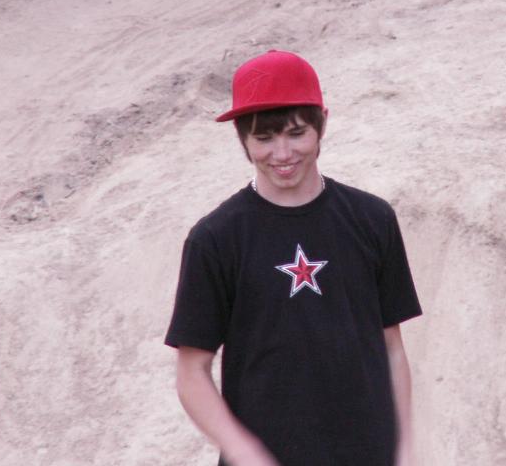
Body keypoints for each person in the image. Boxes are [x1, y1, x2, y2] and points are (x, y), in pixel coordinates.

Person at [165, 49, 422, 466]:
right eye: (264, 138)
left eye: (296, 133)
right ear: (243, 140)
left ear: (323, 124)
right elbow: (192, 372)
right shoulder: (214, 239)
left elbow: (391, 348)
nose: (282, 153)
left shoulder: (373, 219)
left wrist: (405, 450)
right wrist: (246, 454)